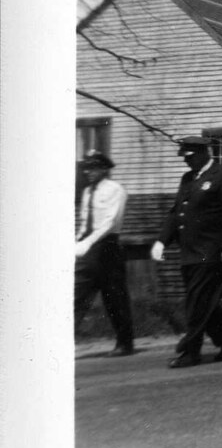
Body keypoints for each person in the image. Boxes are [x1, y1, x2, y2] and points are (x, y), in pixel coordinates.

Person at [152, 136, 222, 368]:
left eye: (191, 157)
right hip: (189, 252)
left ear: (205, 153)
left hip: (211, 252)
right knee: (203, 302)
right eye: (185, 157)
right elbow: (176, 213)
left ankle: (190, 351)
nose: (187, 162)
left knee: (195, 303)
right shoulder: (188, 178)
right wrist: (162, 241)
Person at [75, 150, 134, 356]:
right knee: (75, 294)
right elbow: (84, 223)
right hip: (88, 248)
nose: (88, 172)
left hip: (107, 247)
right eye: (86, 168)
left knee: (115, 298)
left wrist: (88, 242)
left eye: (93, 168)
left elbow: (109, 222)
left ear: (104, 169)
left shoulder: (115, 190)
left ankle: (125, 344)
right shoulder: (87, 192)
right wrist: (78, 242)